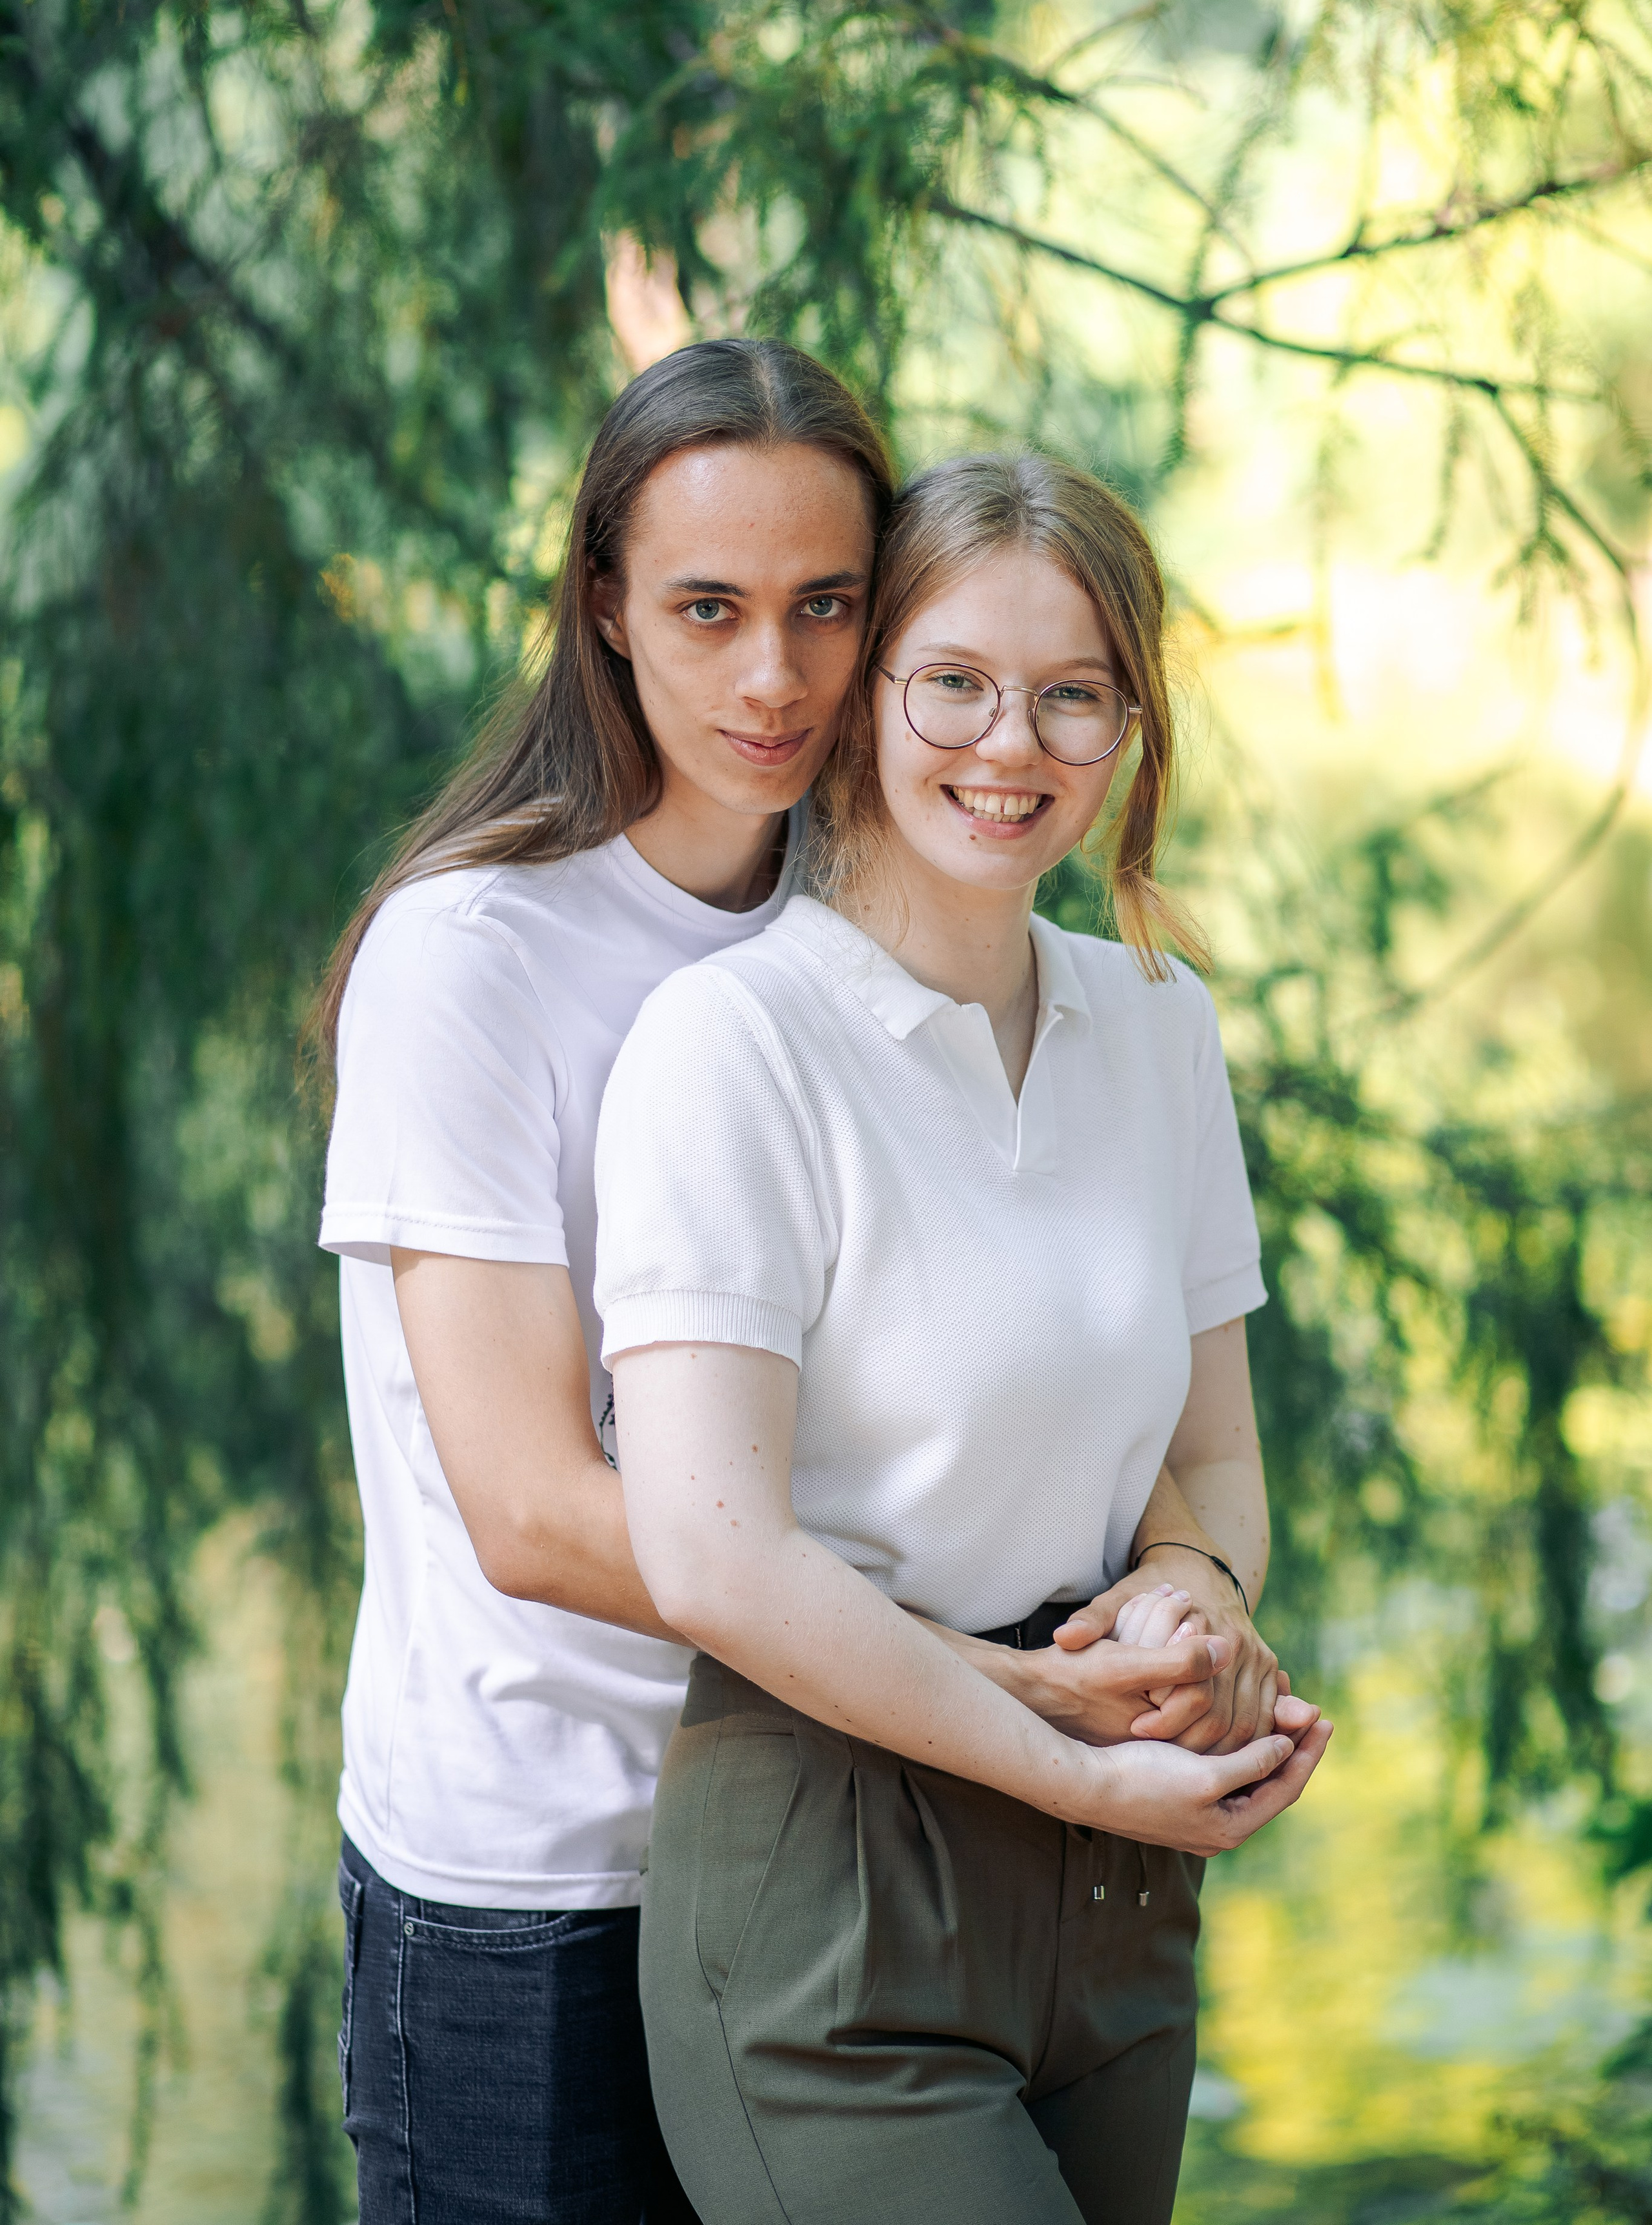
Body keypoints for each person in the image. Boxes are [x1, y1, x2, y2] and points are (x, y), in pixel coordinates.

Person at [593, 451, 1334, 2225]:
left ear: (1127, 729)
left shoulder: (1160, 1028)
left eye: (1075, 696)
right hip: (837, 1892)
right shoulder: (734, 1045)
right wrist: (1079, 1757)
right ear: (867, 706)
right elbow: (708, 1555)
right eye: (958, 684)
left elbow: (1214, 1458)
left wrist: (1199, 1602)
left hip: (1124, 1901)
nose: (1014, 748)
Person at [310, 339, 894, 2224]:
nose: (776, 677)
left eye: (830, 609)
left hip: (839, 1851)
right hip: (543, 1897)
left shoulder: (870, 932)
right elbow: (537, 1513)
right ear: (605, 614)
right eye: (709, 609)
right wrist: (976, 1676)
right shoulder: (470, 957)